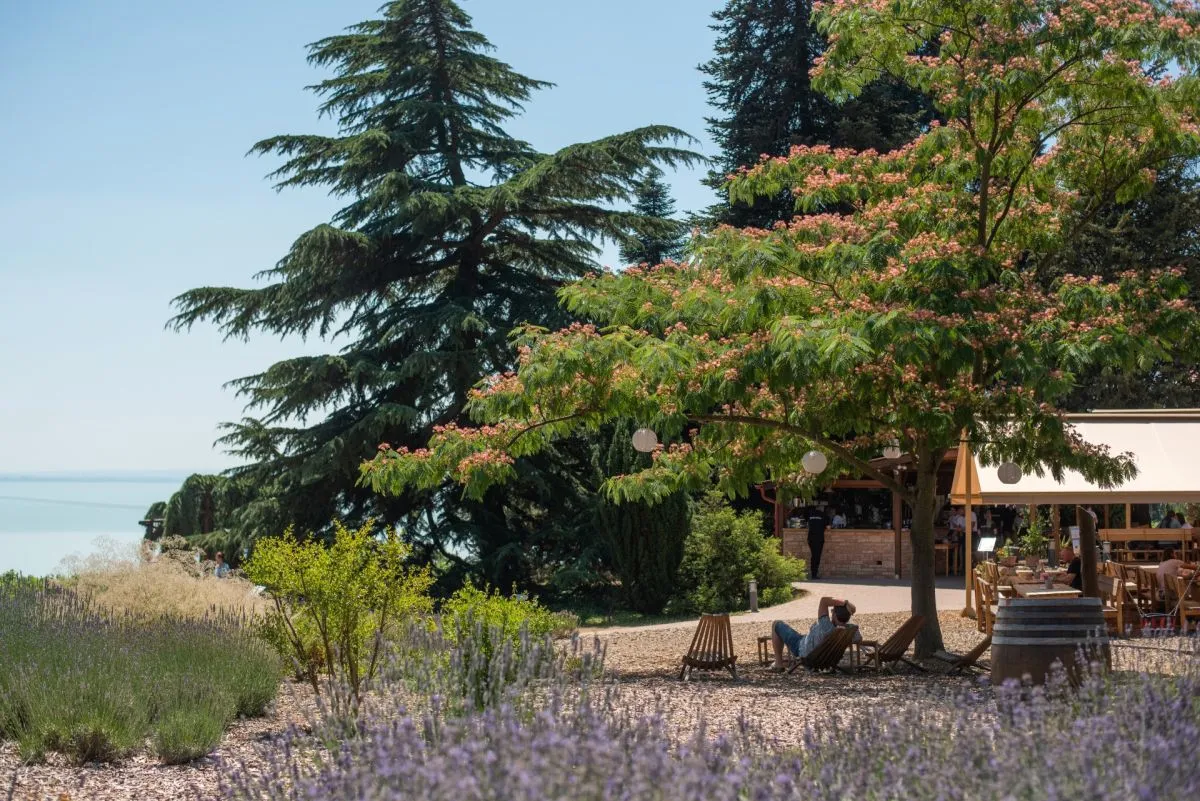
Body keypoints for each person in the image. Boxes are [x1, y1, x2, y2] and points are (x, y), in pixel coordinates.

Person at [770, 596, 860, 671]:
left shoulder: (826, 627)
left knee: (777, 624)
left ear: (834, 614)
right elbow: (859, 639)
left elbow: (824, 600)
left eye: (832, 611)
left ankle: (778, 663)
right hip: (827, 658)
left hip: (803, 651)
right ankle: (784, 661)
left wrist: (845, 603)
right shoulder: (851, 630)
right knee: (802, 636)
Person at [807, 507, 828, 580]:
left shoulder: (810, 515)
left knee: (813, 556)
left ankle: (813, 574)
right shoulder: (823, 515)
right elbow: (828, 527)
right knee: (817, 556)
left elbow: (808, 525)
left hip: (810, 538)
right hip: (819, 538)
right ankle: (814, 574)